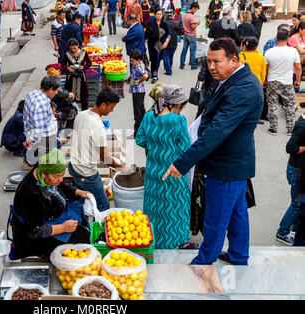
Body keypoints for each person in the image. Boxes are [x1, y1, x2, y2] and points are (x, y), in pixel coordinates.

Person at [163, 38, 263, 265]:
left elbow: (217, 131)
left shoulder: (243, 89)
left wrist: (182, 163)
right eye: (208, 61)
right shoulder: (236, 79)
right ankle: (238, 254)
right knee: (237, 215)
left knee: (215, 219)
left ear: (234, 60)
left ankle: (203, 263)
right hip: (233, 165)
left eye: (216, 61)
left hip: (225, 166)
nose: (210, 67)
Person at [136, 85, 196, 249]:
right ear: (177, 104)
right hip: (173, 173)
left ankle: (155, 240)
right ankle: (180, 242)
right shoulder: (178, 120)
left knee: (154, 208)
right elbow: (185, 148)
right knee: (177, 208)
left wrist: (157, 147)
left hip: (153, 173)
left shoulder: (149, 116)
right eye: (182, 106)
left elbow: (140, 139)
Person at [12, 147, 92, 258]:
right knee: (84, 239)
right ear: (44, 174)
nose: (61, 179)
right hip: (31, 240)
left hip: (49, 218)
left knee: (84, 229)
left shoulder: (42, 170)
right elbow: (33, 231)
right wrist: (62, 228)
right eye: (57, 176)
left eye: (62, 175)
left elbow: (60, 185)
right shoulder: (33, 196)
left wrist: (78, 192)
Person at [69, 88, 130, 211]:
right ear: (103, 105)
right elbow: (105, 158)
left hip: (74, 165)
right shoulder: (97, 126)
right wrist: (121, 167)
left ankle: (83, 224)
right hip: (86, 173)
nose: (112, 110)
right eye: (111, 107)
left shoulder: (81, 115)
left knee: (83, 199)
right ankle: (99, 229)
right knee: (104, 205)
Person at [265, 28, 301, 136]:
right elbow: (298, 67)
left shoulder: (269, 52)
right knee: (290, 105)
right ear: (288, 39)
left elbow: (266, 68)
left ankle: (273, 128)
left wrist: (265, 79)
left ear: (276, 38)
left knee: (272, 105)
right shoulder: (293, 51)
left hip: (272, 81)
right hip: (287, 81)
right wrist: (298, 81)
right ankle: (290, 129)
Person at [275, 115, 305, 245]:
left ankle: (293, 227)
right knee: (297, 203)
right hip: (297, 172)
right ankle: (283, 232)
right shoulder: (303, 127)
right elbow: (290, 147)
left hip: (298, 170)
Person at [23, 76, 61, 166]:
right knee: (47, 166)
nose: (56, 93)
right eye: (56, 91)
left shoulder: (32, 93)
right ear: (51, 89)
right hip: (45, 140)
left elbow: (26, 118)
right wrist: (31, 143)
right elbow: (38, 130)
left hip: (37, 136)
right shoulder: (42, 103)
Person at [239, 36, 266, 124]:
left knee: (242, 101)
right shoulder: (260, 57)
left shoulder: (241, 56)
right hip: (256, 84)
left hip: (243, 83)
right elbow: (263, 73)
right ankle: (255, 118)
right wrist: (261, 83)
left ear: (244, 46)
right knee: (254, 103)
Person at [61, 38, 92, 111]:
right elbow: (63, 64)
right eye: (71, 49)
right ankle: (71, 112)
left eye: (74, 48)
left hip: (82, 78)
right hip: (70, 78)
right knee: (70, 95)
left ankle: (84, 112)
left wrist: (83, 67)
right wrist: (68, 68)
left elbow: (89, 63)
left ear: (78, 45)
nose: (73, 50)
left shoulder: (84, 53)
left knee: (84, 96)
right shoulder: (67, 54)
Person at [146, 8, 171, 82]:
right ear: (155, 15)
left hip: (162, 45)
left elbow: (169, 34)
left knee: (158, 59)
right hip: (152, 45)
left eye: (160, 14)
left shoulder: (164, 23)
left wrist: (166, 42)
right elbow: (147, 34)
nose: (159, 16)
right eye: (158, 14)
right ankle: (154, 75)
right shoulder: (150, 23)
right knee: (154, 59)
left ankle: (154, 72)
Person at [128, 49, 149, 138]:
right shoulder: (139, 65)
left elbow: (145, 76)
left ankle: (137, 133)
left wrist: (138, 82)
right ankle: (144, 130)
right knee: (141, 111)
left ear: (139, 60)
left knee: (137, 113)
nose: (131, 62)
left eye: (133, 61)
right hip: (140, 92)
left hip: (138, 92)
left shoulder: (139, 66)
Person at [180, 2, 200, 70]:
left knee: (184, 50)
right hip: (192, 35)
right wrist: (197, 24)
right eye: (196, 9)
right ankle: (193, 65)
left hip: (185, 34)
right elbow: (192, 27)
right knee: (192, 51)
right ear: (193, 8)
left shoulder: (184, 15)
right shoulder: (191, 16)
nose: (196, 11)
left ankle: (182, 64)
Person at [163, 9, 179, 76]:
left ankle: (168, 70)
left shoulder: (164, 23)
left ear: (166, 15)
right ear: (172, 15)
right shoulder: (176, 23)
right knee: (170, 56)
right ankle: (170, 67)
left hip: (166, 43)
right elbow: (180, 32)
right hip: (174, 43)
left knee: (166, 56)